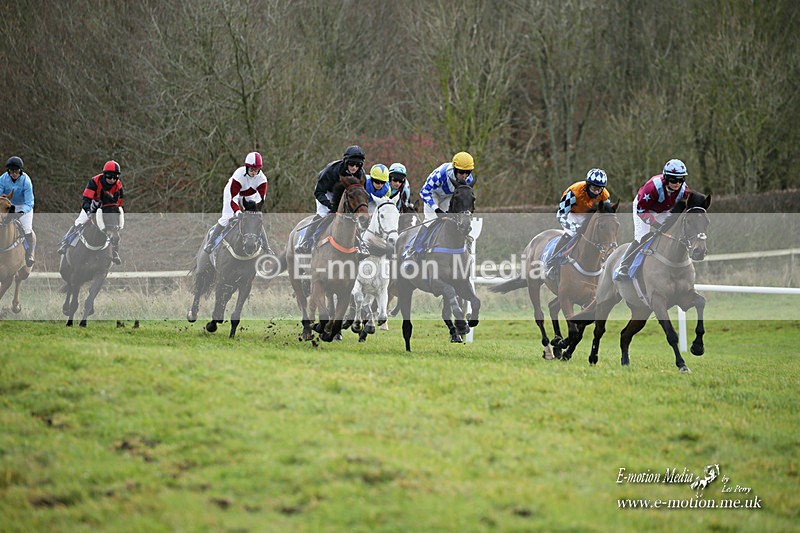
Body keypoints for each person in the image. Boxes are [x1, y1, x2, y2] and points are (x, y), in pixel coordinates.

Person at [615, 158, 691, 279]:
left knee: (672, 233)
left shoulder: (684, 190)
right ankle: (624, 265)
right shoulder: (652, 187)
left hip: (664, 209)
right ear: (666, 178)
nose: (677, 183)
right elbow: (641, 210)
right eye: (673, 180)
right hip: (644, 208)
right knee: (642, 237)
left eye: (681, 179)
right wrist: (655, 224)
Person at [295, 145, 367, 254]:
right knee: (324, 214)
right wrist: (329, 204)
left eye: (358, 165)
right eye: (351, 164)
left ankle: (361, 245)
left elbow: (360, 193)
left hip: (346, 194)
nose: (354, 168)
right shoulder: (332, 171)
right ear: (346, 162)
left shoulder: (360, 174)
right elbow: (319, 192)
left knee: (353, 217)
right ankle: (305, 242)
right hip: (326, 192)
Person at [545, 168, 611, 279]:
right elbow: (560, 215)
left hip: (589, 216)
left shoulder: (605, 195)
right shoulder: (574, 192)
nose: (596, 192)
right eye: (594, 188)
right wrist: (576, 228)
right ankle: (552, 262)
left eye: (599, 189)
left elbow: (606, 217)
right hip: (572, 214)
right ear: (588, 185)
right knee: (571, 234)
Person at [203, 151, 273, 255]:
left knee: (254, 217)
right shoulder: (239, 175)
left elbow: (261, 200)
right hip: (233, 193)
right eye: (251, 170)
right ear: (246, 167)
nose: (254, 173)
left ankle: (266, 247)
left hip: (249, 194)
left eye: (256, 170)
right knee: (227, 217)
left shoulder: (262, 179)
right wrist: (237, 212)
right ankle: (210, 242)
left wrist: (254, 211)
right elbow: (233, 199)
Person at [57, 160, 125, 264]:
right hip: (93, 204)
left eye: (115, 177)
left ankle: (115, 252)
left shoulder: (118, 185)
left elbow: (119, 200)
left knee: (115, 227)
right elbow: (86, 198)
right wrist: (88, 211)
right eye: (109, 176)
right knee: (79, 222)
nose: (112, 179)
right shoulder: (94, 181)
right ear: (104, 174)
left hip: (107, 207)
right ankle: (66, 243)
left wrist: (114, 210)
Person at [0, 156, 36, 266]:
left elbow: (29, 202)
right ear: (8, 171)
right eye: (12, 171)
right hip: (7, 205)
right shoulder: (2, 179)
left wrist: (21, 212)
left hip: (24, 207)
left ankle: (29, 255)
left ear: (20, 171)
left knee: (27, 229)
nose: (14, 174)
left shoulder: (26, 181)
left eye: (16, 171)